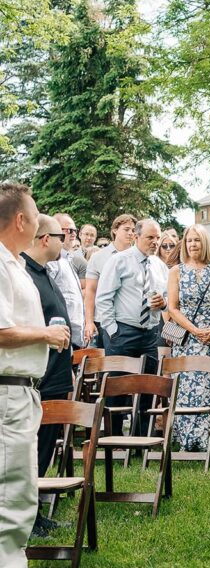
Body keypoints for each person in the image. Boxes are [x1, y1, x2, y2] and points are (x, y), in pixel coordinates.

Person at [0, 182, 70, 568]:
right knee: (14, 490)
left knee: (15, 488)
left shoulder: (14, 265)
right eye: (37, 212)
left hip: (21, 390)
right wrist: (46, 333)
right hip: (8, 393)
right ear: (22, 221)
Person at [21, 215, 75, 537]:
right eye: (61, 235)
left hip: (56, 375)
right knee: (35, 448)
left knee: (45, 448)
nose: (66, 239)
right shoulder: (26, 274)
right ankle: (29, 518)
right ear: (44, 239)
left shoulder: (46, 271)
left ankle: (38, 512)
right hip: (42, 378)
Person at [167, 226, 210, 450]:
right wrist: (195, 330)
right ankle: (189, 438)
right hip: (187, 338)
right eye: (189, 241)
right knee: (187, 386)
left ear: (204, 243)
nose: (193, 244)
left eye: (197, 240)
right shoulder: (176, 271)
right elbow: (173, 308)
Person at [96, 219, 168, 379]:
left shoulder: (160, 266)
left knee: (148, 386)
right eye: (150, 238)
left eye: (158, 238)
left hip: (150, 335)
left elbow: (169, 296)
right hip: (122, 333)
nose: (155, 242)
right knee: (117, 388)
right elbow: (103, 298)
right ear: (136, 236)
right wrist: (112, 331)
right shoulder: (119, 261)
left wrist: (164, 303)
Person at [84, 213, 136, 345]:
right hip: (102, 321)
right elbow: (91, 291)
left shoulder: (138, 257)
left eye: (133, 230)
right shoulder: (98, 257)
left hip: (130, 322)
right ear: (114, 230)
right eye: (126, 229)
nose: (131, 233)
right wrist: (89, 322)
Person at [49, 213, 86, 348]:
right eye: (69, 230)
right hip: (59, 335)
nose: (74, 234)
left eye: (75, 230)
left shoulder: (68, 259)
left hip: (73, 336)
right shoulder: (53, 261)